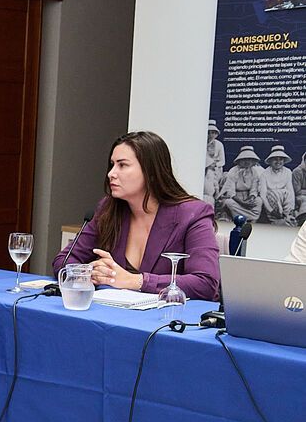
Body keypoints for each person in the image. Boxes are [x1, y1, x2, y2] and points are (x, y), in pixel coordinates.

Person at [52, 130, 219, 301]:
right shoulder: (109, 209)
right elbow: (64, 260)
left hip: (168, 320)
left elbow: (206, 283)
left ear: (151, 172)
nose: (111, 173)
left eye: (122, 165)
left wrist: (135, 281)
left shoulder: (193, 214)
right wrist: (89, 274)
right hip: (113, 315)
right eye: (112, 165)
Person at [217, 145, 265, 222]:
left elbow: (254, 189)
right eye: (244, 159)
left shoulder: (254, 172)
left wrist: (251, 198)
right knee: (228, 202)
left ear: (253, 161)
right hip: (235, 198)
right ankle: (248, 217)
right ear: (239, 161)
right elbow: (231, 192)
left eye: (249, 159)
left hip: (247, 196)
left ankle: (250, 218)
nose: (247, 162)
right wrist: (242, 203)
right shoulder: (233, 171)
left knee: (259, 201)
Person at [262, 145, 296, 225]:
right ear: (270, 161)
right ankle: (277, 220)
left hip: (284, 200)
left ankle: (288, 216)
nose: (278, 162)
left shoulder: (288, 172)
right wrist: (271, 210)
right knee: (273, 193)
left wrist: (291, 209)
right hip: (271, 202)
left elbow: (290, 190)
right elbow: (263, 195)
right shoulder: (264, 174)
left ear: (284, 161)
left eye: (280, 159)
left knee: (286, 192)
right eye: (275, 159)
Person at [203, 119, 224, 203]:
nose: (211, 135)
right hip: (203, 167)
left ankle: (213, 195)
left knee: (210, 178)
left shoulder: (219, 144)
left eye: (213, 132)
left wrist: (214, 164)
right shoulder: (200, 143)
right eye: (209, 132)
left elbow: (222, 161)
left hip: (214, 169)